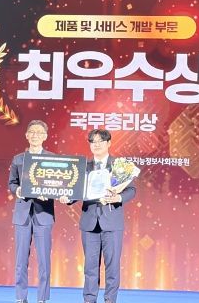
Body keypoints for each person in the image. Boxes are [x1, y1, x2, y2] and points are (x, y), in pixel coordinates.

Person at [60, 129, 136, 303]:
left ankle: (110, 299)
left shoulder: (119, 165)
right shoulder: (83, 167)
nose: (96, 145)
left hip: (112, 222)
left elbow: (132, 190)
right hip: (89, 222)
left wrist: (118, 198)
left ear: (109, 143)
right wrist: (68, 198)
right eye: (93, 142)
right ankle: (89, 299)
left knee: (112, 266)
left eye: (100, 141)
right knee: (90, 266)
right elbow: (75, 190)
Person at [9, 120, 55, 303]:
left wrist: (49, 192)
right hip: (22, 214)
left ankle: (42, 298)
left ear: (45, 136)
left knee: (44, 260)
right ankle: (21, 298)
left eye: (39, 132)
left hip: (43, 214)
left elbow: (57, 184)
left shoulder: (53, 158)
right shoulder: (18, 159)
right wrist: (18, 190)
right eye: (32, 132)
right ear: (26, 135)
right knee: (21, 260)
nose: (35, 135)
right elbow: (12, 183)